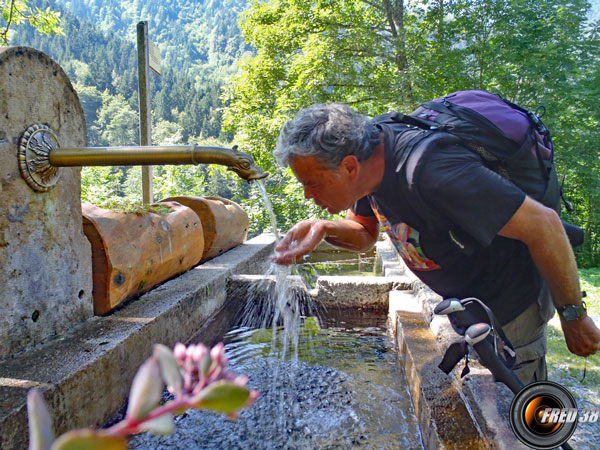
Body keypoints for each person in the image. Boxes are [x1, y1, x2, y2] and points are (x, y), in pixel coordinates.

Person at [271, 102, 600, 384]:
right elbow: (366, 233)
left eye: (312, 184)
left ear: (349, 167)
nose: (307, 195)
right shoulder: (367, 160)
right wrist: (324, 228)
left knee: (515, 424)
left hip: (509, 307)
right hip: (469, 306)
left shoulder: (433, 170)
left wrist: (573, 316)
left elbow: (545, 225)